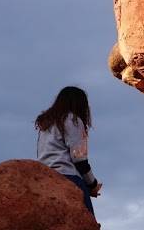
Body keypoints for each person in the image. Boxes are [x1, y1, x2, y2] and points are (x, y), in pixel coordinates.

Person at [35, 86, 102, 216]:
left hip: (46, 178)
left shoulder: (46, 124)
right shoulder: (73, 119)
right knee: (85, 227)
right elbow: (79, 158)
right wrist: (92, 184)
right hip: (68, 178)